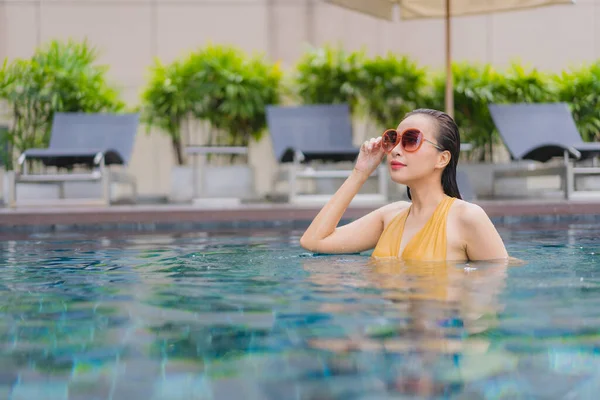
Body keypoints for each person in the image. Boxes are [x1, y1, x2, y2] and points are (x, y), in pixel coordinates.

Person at [299, 108, 508, 261]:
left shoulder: (466, 217)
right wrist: (360, 173)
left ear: (442, 159)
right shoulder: (390, 217)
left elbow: (492, 293)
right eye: (393, 139)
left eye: (411, 139)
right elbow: (313, 241)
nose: (396, 150)